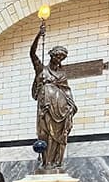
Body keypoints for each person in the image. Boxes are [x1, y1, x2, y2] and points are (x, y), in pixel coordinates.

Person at [30, 24, 77, 169]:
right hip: (46, 107)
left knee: (57, 136)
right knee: (44, 133)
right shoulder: (41, 69)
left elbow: (66, 90)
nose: (59, 59)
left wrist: (71, 106)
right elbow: (32, 53)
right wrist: (39, 35)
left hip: (60, 109)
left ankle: (54, 162)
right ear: (51, 55)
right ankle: (46, 162)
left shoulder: (62, 75)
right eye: (57, 56)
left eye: (62, 57)